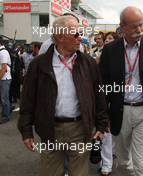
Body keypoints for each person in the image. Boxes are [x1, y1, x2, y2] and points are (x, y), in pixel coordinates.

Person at [17, 15, 108, 176]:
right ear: (60, 36)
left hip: (79, 128)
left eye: (81, 33)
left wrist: (101, 125)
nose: (81, 38)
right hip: (49, 128)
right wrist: (26, 130)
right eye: (76, 34)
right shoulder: (39, 64)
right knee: (51, 172)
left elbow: (98, 95)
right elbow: (28, 99)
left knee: (79, 173)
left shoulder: (88, 63)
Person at [100, 6, 143, 176]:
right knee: (123, 162)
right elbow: (103, 84)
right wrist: (103, 115)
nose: (139, 30)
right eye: (134, 26)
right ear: (122, 26)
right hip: (119, 111)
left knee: (141, 165)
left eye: (141, 25)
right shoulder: (110, 50)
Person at [99, 31, 118, 176]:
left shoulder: (120, 56)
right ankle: (106, 163)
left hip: (118, 99)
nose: (107, 41)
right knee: (105, 131)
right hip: (102, 98)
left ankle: (110, 157)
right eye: (106, 39)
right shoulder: (98, 54)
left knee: (115, 131)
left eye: (111, 38)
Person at [0, 38, 12, 124]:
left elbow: (4, 68)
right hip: (3, 78)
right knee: (4, 98)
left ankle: (6, 116)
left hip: (4, 78)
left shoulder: (3, 52)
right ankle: (6, 112)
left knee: (4, 98)